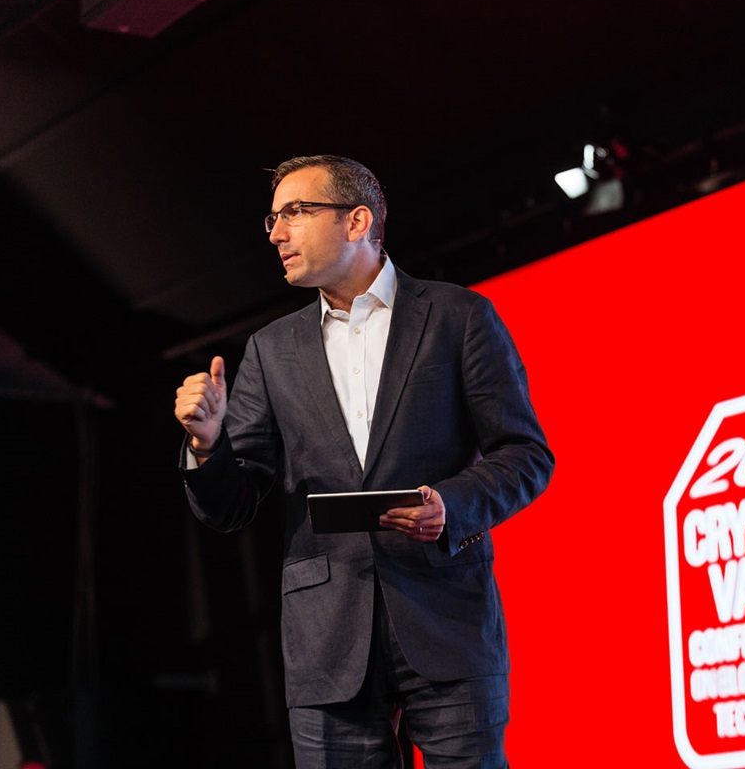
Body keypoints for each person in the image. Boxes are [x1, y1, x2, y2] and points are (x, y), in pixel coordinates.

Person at [173, 154, 553, 768]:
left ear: (357, 222)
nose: (276, 233)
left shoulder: (458, 317)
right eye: (272, 219)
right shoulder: (271, 350)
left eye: (295, 212)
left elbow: (525, 455)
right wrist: (207, 446)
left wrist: (449, 505)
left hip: (447, 620)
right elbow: (231, 504)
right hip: (326, 638)